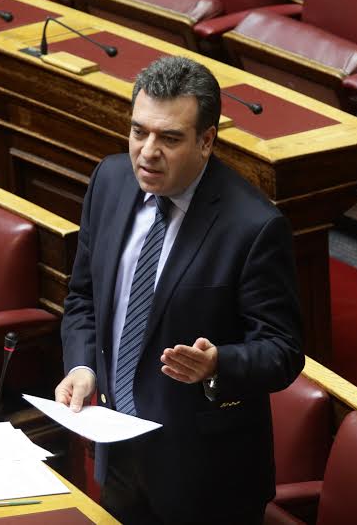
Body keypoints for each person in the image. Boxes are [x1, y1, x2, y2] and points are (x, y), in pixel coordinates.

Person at [55, 55, 304, 525]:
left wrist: (217, 364)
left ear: (206, 141)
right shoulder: (109, 181)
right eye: (138, 132)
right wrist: (83, 366)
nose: (147, 152)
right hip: (118, 449)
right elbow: (84, 297)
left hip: (206, 474)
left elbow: (283, 351)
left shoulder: (253, 226)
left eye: (169, 139)